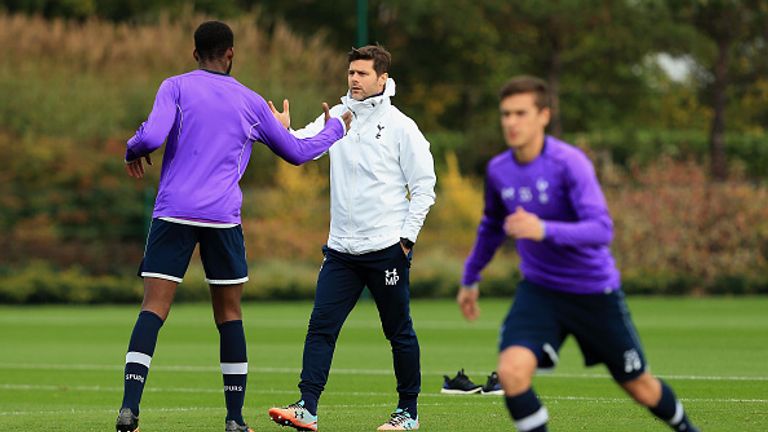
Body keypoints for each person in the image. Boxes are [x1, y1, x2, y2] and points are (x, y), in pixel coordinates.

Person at [115, 21, 351, 432]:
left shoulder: (175, 86)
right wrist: (336, 128)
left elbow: (150, 135)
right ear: (231, 54)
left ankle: (129, 409)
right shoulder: (251, 102)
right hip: (222, 218)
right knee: (229, 315)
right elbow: (296, 152)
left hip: (173, 213)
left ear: (194, 54)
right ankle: (234, 419)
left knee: (153, 308)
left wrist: (131, 148)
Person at [457, 76, 699, 432]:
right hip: (539, 292)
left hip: (593, 293)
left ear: (544, 116)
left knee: (640, 387)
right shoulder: (498, 170)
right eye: (506, 114)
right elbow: (492, 226)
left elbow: (602, 229)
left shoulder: (569, 163)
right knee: (511, 373)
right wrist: (470, 277)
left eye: (520, 113)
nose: (511, 122)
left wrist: (543, 229)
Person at [266, 45, 436, 431]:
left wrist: (405, 241)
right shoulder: (336, 120)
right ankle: (307, 407)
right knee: (321, 328)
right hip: (341, 251)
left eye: (362, 73)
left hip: (386, 250)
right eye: (351, 73)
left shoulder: (400, 126)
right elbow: (301, 148)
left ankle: (407, 413)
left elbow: (424, 187)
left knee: (398, 331)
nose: (354, 79)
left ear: (382, 78)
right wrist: (282, 129)